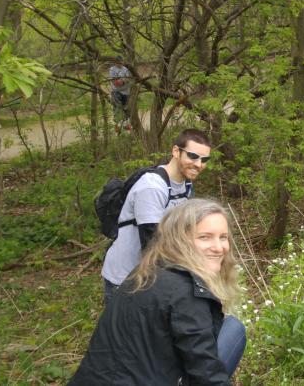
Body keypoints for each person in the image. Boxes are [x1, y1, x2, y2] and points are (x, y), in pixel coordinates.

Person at [70, 199, 246, 385]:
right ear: (180, 240)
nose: (219, 248)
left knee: (231, 327)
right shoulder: (187, 293)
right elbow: (208, 376)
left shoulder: (144, 273)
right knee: (234, 330)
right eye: (205, 237)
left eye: (223, 237)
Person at [101, 128, 212, 303]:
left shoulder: (185, 186)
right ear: (176, 151)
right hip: (125, 278)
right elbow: (152, 242)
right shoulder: (152, 187)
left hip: (151, 277)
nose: (199, 164)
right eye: (193, 156)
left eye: (204, 159)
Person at [108, 57, 133, 130]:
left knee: (126, 108)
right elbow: (115, 83)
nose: (120, 63)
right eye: (118, 62)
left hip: (126, 92)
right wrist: (123, 80)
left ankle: (126, 125)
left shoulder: (125, 69)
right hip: (116, 91)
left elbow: (129, 79)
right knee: (117, 108)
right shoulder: (112, 70)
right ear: (115, 62)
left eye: (121, 62)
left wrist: (123, 81)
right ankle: (117, 126)